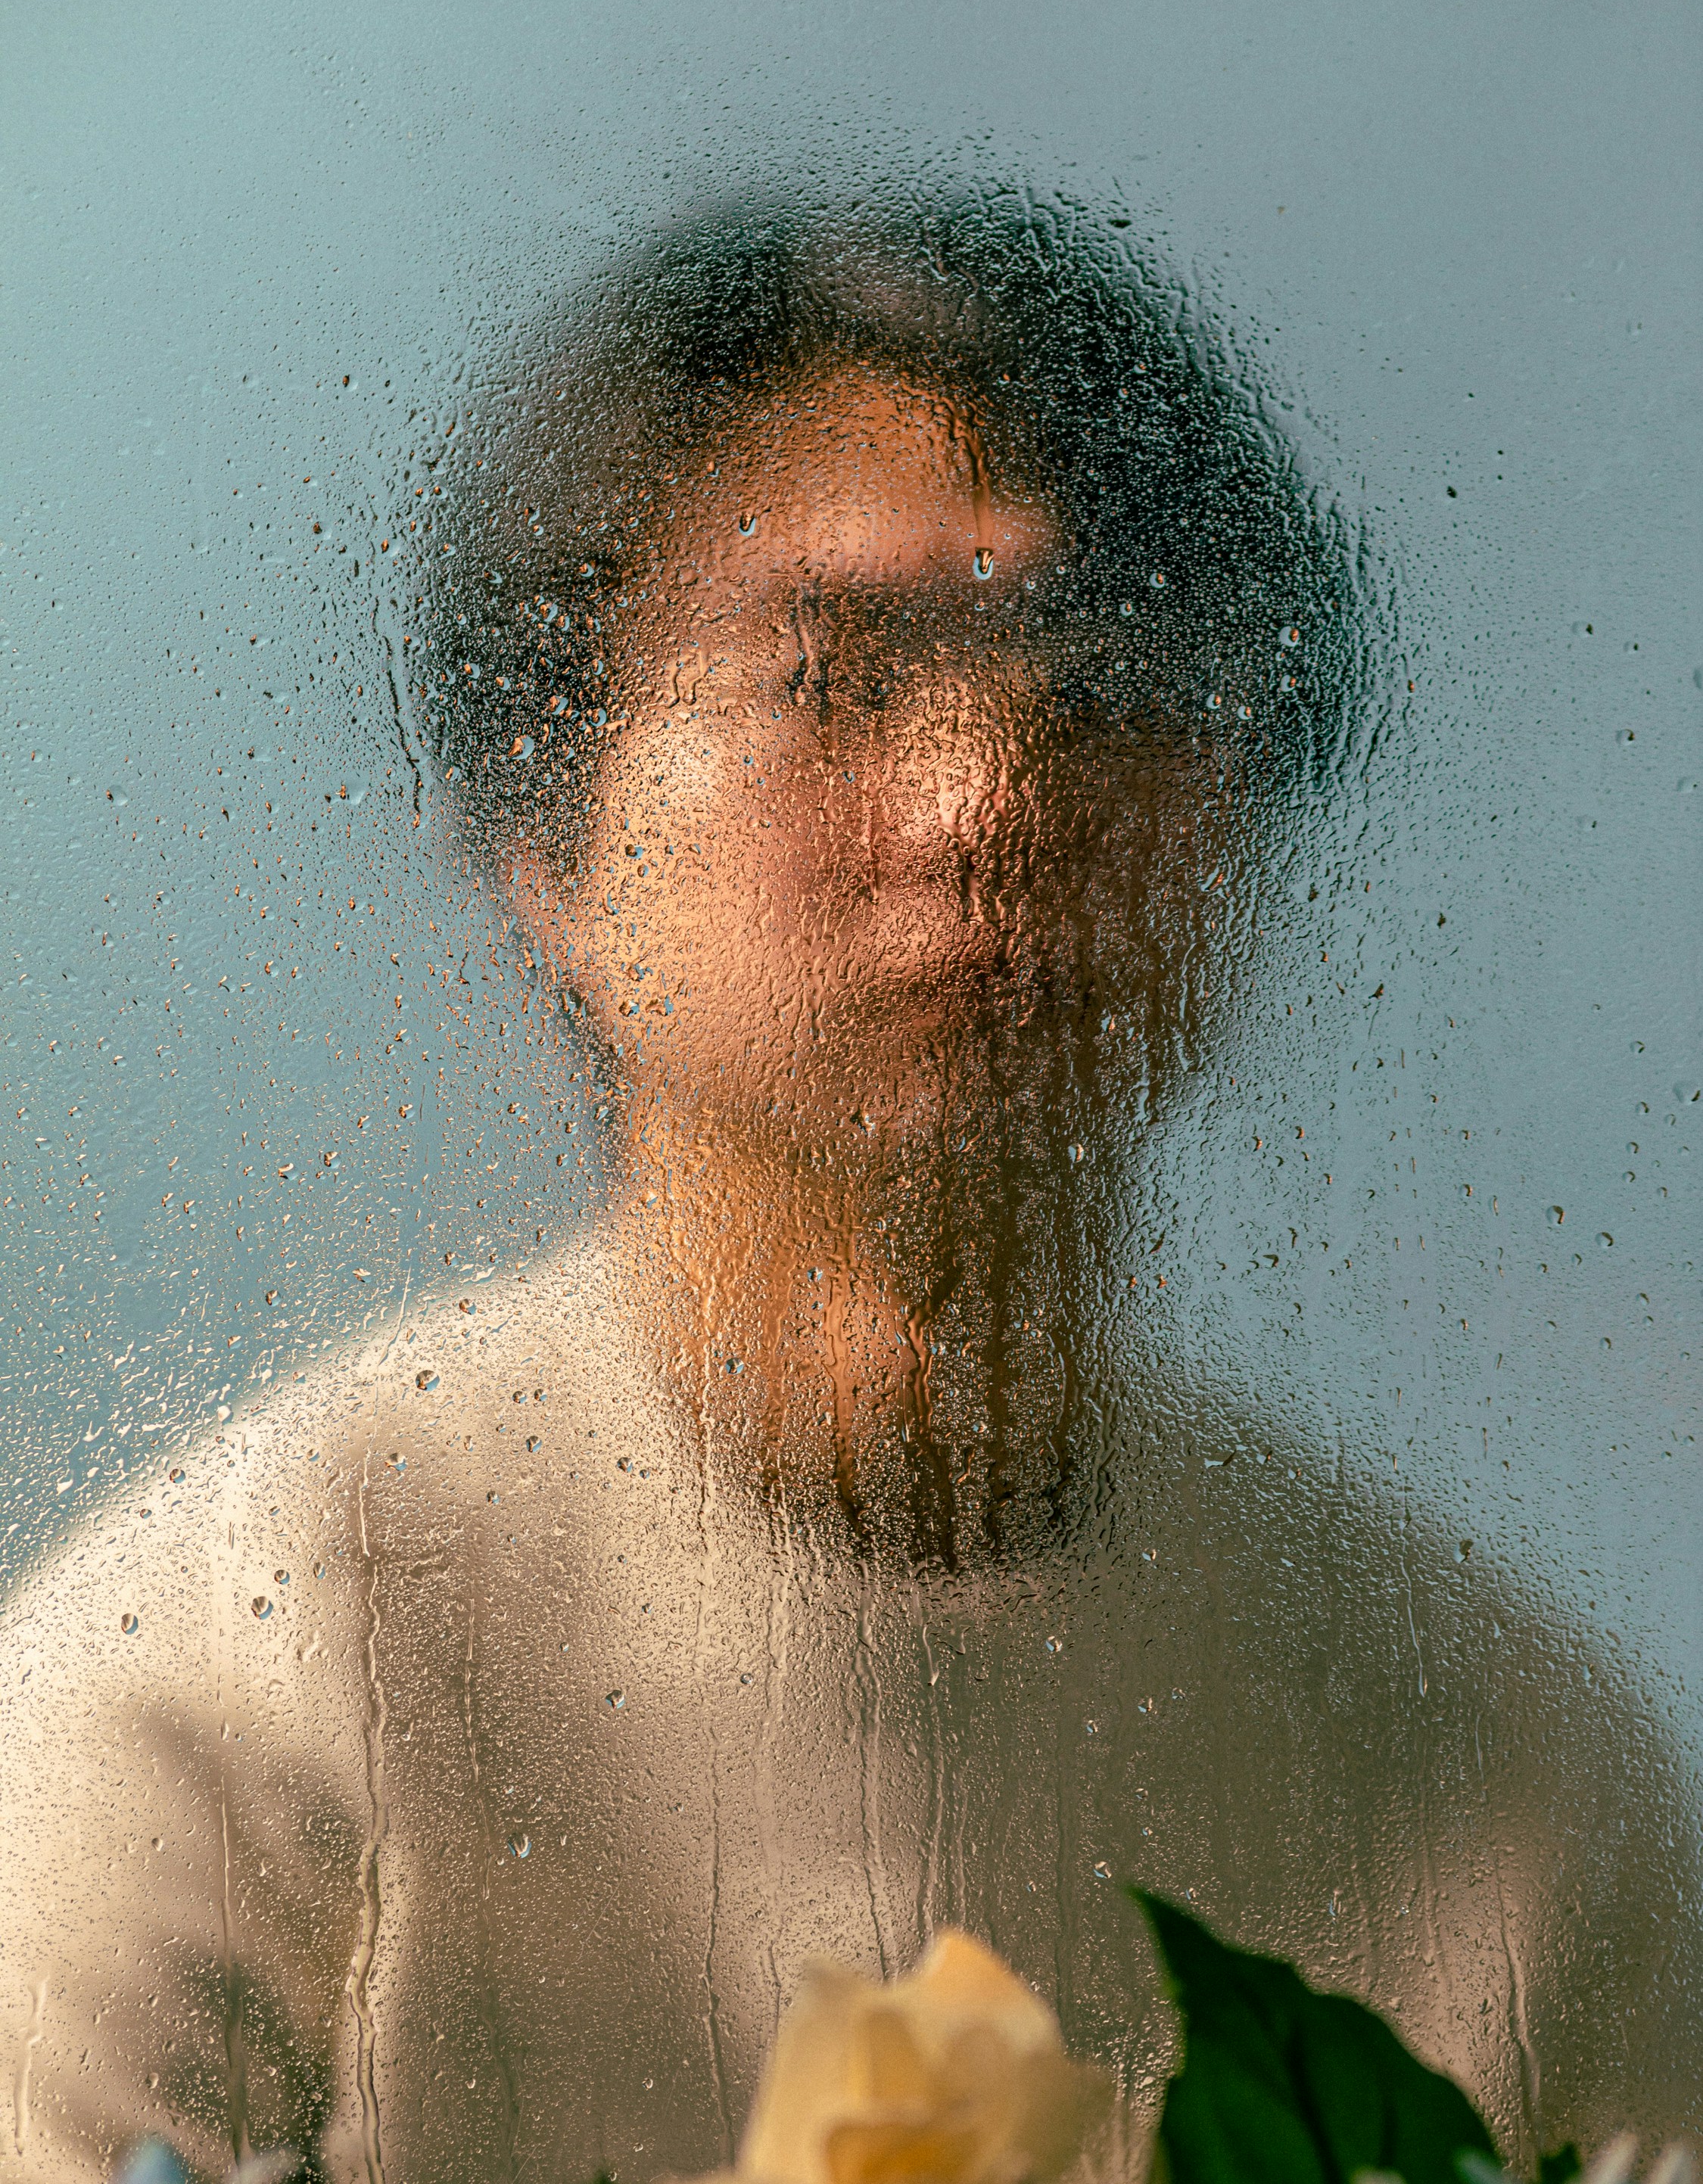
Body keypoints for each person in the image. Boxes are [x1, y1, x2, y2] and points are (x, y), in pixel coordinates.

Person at [2, 194, 1696, 2184]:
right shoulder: (216, 1704)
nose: (984, 799)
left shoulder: (1514, 1780)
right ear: (543, 846)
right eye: (828, 681)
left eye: (1100, 681)